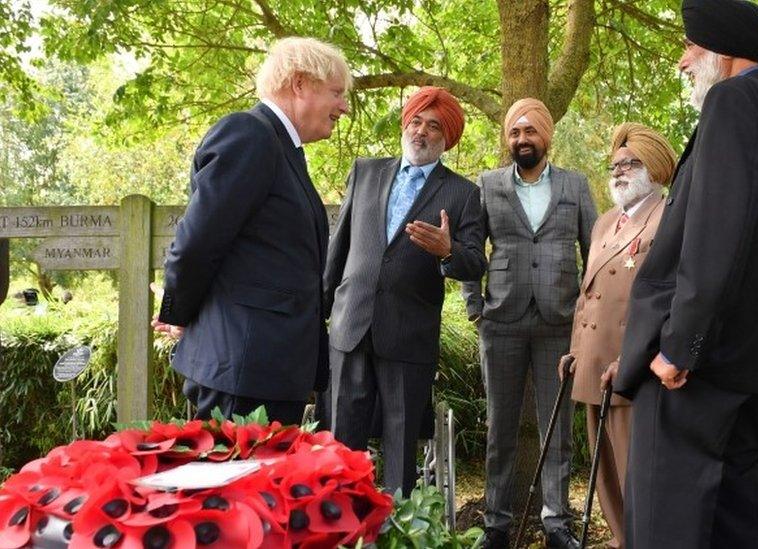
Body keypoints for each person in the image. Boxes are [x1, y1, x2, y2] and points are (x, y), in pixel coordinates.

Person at [603, 0, 758, 546]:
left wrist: (681, 344)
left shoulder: (733, 99)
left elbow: (716, 234)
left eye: (690, 46)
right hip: (754, 365)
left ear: (722, 52)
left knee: (667, 525)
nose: (683, 62)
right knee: (735, 519)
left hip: (695, 369)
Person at [154, 38, 351, 425]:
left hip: (269, 372)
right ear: (299, 84)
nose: (344, 106)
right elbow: (197, 242)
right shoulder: (250, 134)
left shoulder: (284, 150)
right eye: (336, 93)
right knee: (232, 484)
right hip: (242, 373)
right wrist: (180, 314)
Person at [320, 86, 486, 496]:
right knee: (339, 448)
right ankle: (340, 529)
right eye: (415, 121)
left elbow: (474, 264)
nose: (421, 132)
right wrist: (317, 314)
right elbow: (337, 249)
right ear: (404, 123)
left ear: (446, 139)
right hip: (350, 327)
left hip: (408, 337)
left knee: (399, 455)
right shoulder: (365, 170)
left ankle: (398, 532)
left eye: (433, 126)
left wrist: (448, 251)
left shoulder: (463, 193)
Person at [462, 98, 597, 549]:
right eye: (515, 133)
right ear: (508, 139)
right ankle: (497, 523)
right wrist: (474, 307)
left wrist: (585, 317)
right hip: (501, 320)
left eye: (530, 132)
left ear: (546, 136)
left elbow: (593, 254)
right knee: (500, 427)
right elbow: (469, 251)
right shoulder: (487, 184)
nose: (522, 139)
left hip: (560, 323)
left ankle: (556, 523)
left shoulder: (576, 186)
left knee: (557, 427)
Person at [560, 123, 676, 549]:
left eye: (631, 163)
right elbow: (587, 291)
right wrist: (575, 350)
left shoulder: (668, 216)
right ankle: (623, 539)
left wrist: (630, 358)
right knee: (604, 474)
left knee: (636, 477)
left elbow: (668, 299)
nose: (619, 171)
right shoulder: (605, 222)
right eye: (615, 165)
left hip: (631, 370)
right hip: (593, 364)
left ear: (657, 169)